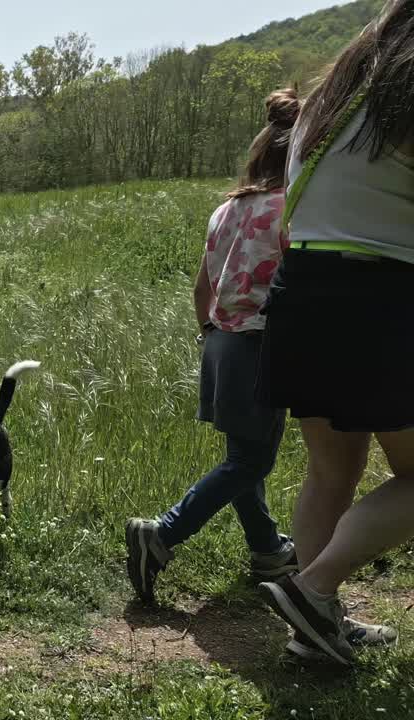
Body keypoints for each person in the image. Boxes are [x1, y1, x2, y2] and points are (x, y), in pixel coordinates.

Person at [255, 0, 412, 666]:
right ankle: (313, 588)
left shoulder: (338, 90)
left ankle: (311, 633)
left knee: (330, 470)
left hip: (303, 290)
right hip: (378, 295)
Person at [125, 89, 301, 605]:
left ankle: (267, 548)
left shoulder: (227, 211)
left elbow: (203, 287)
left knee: (242, 453)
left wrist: (210, 333)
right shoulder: (291, 211)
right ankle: (161, 534)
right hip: (258, 347)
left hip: (220, 343)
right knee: (251, 460)